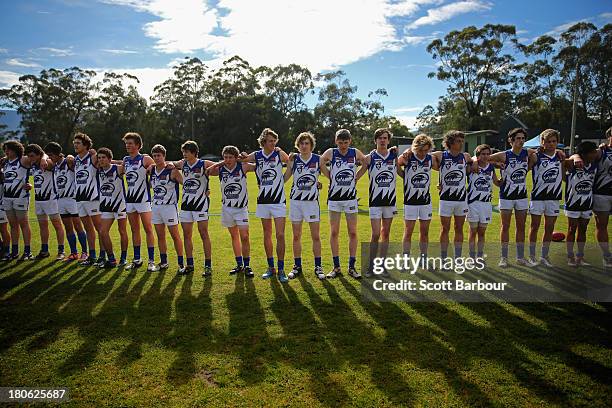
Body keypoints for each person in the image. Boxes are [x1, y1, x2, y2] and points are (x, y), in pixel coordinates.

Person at [239, 128, 290, 282]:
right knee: (267, 234)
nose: (273, 143)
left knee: (280, 235)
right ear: (263, 142)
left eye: (274, 141)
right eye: (270, 141)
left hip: (279, 201)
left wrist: (283, 180)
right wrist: (242, 156)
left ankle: (281, 269)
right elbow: (242, 160)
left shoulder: (279, 153)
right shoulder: (257, 155)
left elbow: (292, 162)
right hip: (263, 202)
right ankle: (271, 267)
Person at [320, 129, 367, 279]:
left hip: (350, 199)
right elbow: (321, 162)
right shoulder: (331, 152)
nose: (343, 146)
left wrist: (357, 177)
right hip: (334, 199)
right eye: (340, 142)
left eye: (346, 142)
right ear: (336, 141)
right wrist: (329, 176)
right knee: (334, 232)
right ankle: (336, 267)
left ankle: (352, 267)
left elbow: (365, 162)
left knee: (352, 232)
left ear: (350, 141)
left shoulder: (354, 152)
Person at [487, 128, 537, 267]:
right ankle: (504, 257)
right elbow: (480, 158)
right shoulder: (504, 155)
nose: (521, 141)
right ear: (511, 140)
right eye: (518, 138)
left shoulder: (528, 153)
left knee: (521, 227)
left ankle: (520, 257)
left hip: (521, 196)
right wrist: (497, 165)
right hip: (506, 196)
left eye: (522, 138)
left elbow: (535, 158)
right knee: (505, 226)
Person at [206, 146, 255, 278]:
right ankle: (239, 264)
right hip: (227, 208)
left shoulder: (242, 167)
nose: (227, 160)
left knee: (244, 236)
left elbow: (257, 166)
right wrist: (223, 162)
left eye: (230, 157)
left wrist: (243, 157)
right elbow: (208, 171)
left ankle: (247, 265)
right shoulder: (221, 169)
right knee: (234, 236)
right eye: (225, 157)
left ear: (236, 157)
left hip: (241, 208)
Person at [356, 128, 398, 276]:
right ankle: (371, 265)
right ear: (375, 140)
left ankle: (382, 266)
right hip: (375, 201)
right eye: (379, 138)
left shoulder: (394, 156)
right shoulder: (369, 158)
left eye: (385, 138)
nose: (382, 140)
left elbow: (404, 173)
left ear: (388, 140)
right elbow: (358, 175)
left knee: (386, 234)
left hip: (390, 201)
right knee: (375, 234)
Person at [170, 141, 215, 276]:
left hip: (201, 204)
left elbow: (219, 169)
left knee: (203, 234)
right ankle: (190, 265)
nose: (184, 154)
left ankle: (208, 266)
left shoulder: (203, 164)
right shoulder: (183, 164)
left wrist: (208, 186)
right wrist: (172, 165)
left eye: (187, 152)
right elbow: (171, 164)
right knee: (187, 235)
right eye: (183, 152)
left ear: (194, 152)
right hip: (186, 205)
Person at [283, 132, 324, 280]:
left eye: (307, 143)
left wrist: (320, 183)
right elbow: (285, 178)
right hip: (296, 202)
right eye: (302, 144)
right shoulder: (294, 160)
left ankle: (318, 267)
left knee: (315, 236)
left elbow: (329, 174)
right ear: (298, 145)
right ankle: (297, 266)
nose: (304, 146)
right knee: (296, 236)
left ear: (311, 145)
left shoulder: (318, 159)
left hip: (312, 203)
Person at [430, 130, 474, 262]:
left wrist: (475, 162)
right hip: (446, 199)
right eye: (458, 141)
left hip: (461, 200)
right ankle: (444, 258)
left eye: (462, 141)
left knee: (459, 228)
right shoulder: (440, 155)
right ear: (450, 142)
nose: (461, 143)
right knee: (445, 229)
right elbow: (423, 154)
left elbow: (475, 161)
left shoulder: (465, 156)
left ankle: (458, 258)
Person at [572, 127, 612, 267]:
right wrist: (576, 157)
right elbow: (580, 153)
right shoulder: (601, 151)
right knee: (602, 225)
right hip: (602, 194)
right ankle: (607, 257)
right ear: (609, 136)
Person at [120, 133, 158, 272]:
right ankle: (137, 259)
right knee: (134, 230)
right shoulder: (125, 159)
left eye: (130, 143)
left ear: (137, 145)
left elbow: (156, 165)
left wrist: (151, 167)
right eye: (126, 143)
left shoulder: (145, 158)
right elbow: (119, 171)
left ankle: (151, 261)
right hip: (130, 200)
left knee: (148, 229)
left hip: (143, 200)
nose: (128, 145)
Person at [45, 142, 88, 262]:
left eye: (51, 155)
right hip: (61, 200)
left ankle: (85, 252)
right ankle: (74, 253)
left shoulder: (68, 162)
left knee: (78, 226)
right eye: (48, 156)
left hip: (72, 199)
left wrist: (70, 156)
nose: (49, 158)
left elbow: (76, 162)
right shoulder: (55, 166)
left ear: (58, 154)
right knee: (68, 228)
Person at [398, 134, 436, 267]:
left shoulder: (431, 159)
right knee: (408, 232)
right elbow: (396, 164)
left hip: (425, 201)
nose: (423, 153)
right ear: (415, 147)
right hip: (410, 201)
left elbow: (444, 164)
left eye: (426, 150)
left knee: (424, 232)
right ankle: (406, 259)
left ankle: (423, 258)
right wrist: (404, 176)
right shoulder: (408, 156)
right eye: (421, 150)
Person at [527, 129, 564, 267]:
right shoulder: (536, 156)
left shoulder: (561, 157)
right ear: (542, 142)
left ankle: (544, 255)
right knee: (534, 226)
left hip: (554, 198)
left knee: (549, 228)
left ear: (557, 142)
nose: (551, 144)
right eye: (548, 141)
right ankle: (531, 256)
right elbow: (526, 168)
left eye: (554, 141)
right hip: (537, 197)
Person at [24, 144, 65, 260]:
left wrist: (44, 158)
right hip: (39, 200)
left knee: (57, 226)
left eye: (32, 156)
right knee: (43, 226)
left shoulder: (47, 162)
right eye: (29, 156)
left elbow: (50, 163)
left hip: (51, 199)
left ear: (39, 154)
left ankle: (61, 251)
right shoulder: (34, 164)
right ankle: (44, 250)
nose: (30, 158)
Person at [149, 144, 185, 274]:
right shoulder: (152, 170)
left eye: (159, 155)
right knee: (160, 236)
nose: (157, 158)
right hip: (156, 208)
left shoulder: (172, 171)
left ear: (164, 156)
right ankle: (164, 262)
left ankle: (181, 264)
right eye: (154, 156)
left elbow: (185, 183)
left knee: (175, 236)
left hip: (169, 208)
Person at [564, 141, 599, 266]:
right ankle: (570, 257)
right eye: (592, 152)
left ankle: (580, 256)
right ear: (584, 154)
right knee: (571, 229)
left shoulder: (595, 165)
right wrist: (575, 156)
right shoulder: (572, 164)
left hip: (587, 203)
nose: (595, 154)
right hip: (573, 202)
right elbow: (567, 158)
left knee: (583, 230)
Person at [73, 133, 105, 266]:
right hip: (80, 199)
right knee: (88, 229)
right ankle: (92, 256)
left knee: (100, 229)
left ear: (85, 145)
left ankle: (103, 256)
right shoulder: (75, 159)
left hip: (93, 199)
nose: (75, 145)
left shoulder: (92, 157)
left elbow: (106, 159)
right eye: (74, 143)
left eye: (78, 143)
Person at [96, 148, 129, 268]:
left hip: (120, 205)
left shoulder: (118, 169)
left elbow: (129, 164)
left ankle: (123, 258)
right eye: (99, 158)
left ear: (110, 159)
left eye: (103, 157)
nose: (101, 160)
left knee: (122, 231)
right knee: (103, 232)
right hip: (106, 206)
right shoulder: (98, 170)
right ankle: (111, 259)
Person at [467, 144, 501, 261]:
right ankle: (471, 257)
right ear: (478, 155)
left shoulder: (491, 168)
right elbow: (469, 158)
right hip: (473, 203)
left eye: (488, 154)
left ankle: (480, 256)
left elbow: (497, 183)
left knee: (482, 233)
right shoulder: (471, 166)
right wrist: (475, 160)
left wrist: (506, 174)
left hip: (486, 205)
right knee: (473, 232)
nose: (486, 156)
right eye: (483, 154)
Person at [1, 140, 32, 260]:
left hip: (20, 197)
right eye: (5, 150)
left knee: (24, 224)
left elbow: (40, 155)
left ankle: (27, 252)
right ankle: (13, 252)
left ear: (15, 149)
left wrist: (44, 159)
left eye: (8, 149)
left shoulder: (23, 160)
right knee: (13, 225)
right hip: (7, 198)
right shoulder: (5, 162)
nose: (6, 152)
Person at [0, 169, 11, 259]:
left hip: (2, 206)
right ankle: (2, 247)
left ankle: (6, 251)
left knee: (3, 229)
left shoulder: (3, 174)